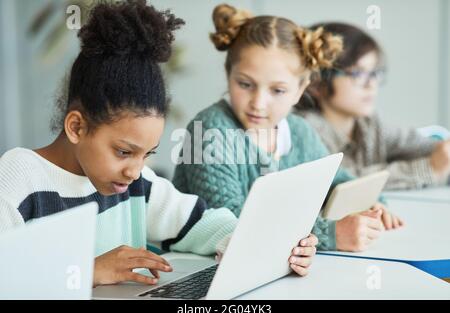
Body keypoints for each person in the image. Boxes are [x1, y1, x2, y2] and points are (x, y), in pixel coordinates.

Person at [0, 0, 316, 286]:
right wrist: (88, 270)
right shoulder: (19, 179)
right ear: (77, 126)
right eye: (124, 152)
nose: (135, 170)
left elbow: (204, 223)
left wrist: (258, 244)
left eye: (146, 154)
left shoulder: (138, 185)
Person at [173, 4, 403, 255]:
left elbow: (337, 180)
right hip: (203, 268)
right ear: (228, 73)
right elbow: (232, 223)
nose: (258, 103)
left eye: (278, 90)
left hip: (269, 266)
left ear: (301, 89)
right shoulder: (208, 131)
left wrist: (372, 205)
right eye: (245, 84)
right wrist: (331, 234)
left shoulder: (298, 130)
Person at [295, 22, 450, 190]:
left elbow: (417, 145)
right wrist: (428, 169)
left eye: (374, 73)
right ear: (317, 83)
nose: (371, 84)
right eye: (357, 73)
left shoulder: (368, 123)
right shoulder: (304, 129)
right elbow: (342, 180)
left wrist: (443, 154)